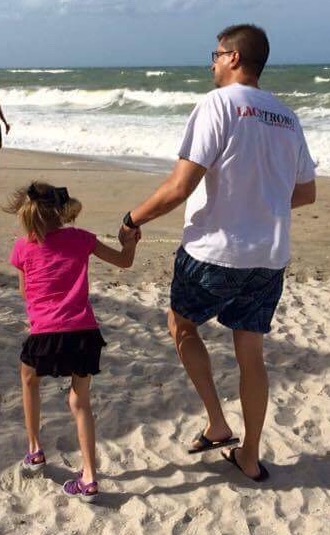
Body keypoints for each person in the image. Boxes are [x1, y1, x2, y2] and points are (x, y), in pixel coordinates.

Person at [118, 24, 316, 482]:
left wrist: (132, 219)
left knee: (180, 324)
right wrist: (260, 199)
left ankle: (217, 420)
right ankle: (250, 454)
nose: (211, 62)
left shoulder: (218, 104)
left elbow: (179, 186)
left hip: (214, 252)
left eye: (216, 54)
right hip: (269, 256)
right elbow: (304, 193)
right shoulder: (287, 115)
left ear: (233, 58)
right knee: (251, 352)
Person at [5, 181, 139, 501]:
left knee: (29, 379)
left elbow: (25, 292)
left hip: (45, 334)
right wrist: (130, 242)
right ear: (62, 212)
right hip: (83, 335)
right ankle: (90, 478)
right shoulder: (81, 239)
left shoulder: (23, 247)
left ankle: (35, 450)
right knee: (80, 403)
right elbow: (124, 262)